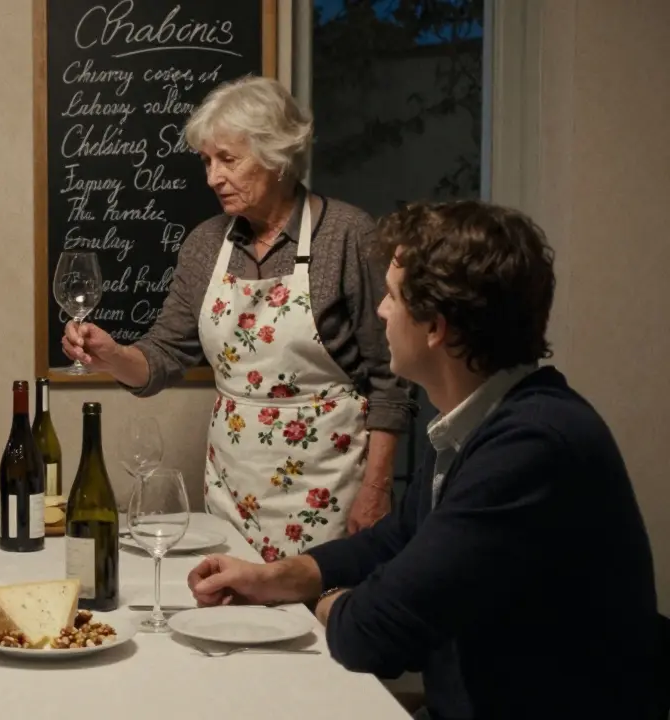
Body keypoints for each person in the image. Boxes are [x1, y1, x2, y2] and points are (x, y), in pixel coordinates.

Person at [185, 201, 662, 719]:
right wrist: (275, 577)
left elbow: (372, 634)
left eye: (391, 296)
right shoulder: (477, 421)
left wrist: (321, 603)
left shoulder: (532, 446)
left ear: (435, 327)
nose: (382, 311)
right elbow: (396, 540)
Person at [63, 76, 411, 554]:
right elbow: (164, 354)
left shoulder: (347, 235)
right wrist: (112, 355)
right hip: (232, 488)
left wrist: (375, 491)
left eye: (228, 159)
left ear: (277, 156)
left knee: (321, 618)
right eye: (207, 161)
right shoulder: (207, 243)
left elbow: (390, 379)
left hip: (332, 487)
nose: (212, 177)